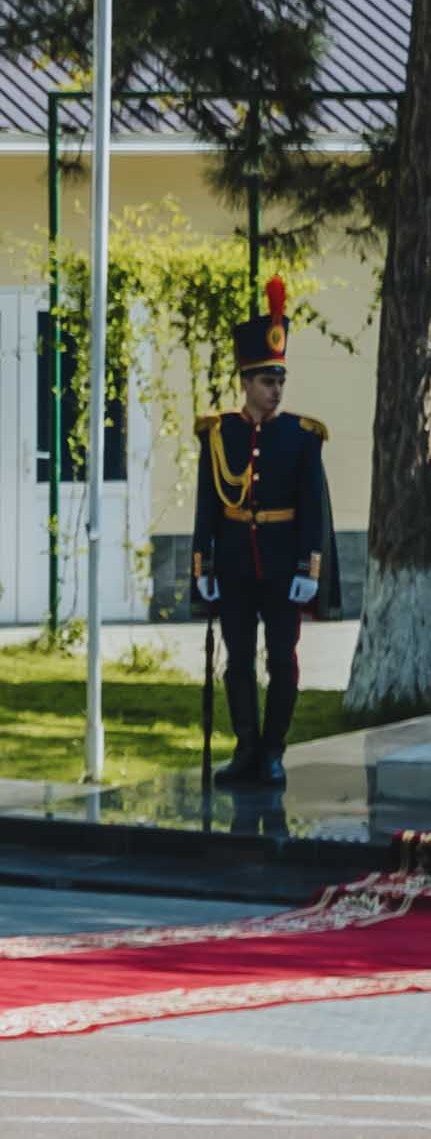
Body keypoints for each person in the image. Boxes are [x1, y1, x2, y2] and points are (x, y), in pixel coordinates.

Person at [193, 319, 337, 810]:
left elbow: (312, 508)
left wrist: (307, 568)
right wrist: (203, 564)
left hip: (280, 566)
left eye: (280, 382)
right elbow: (207, 505)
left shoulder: (301, 437)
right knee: (237, 661)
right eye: (266, 381)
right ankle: (246, 748)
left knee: (282, 660)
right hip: (234, 563)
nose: (275, 391)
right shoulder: (219, 434)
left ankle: (274, 750)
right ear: (246, 383)